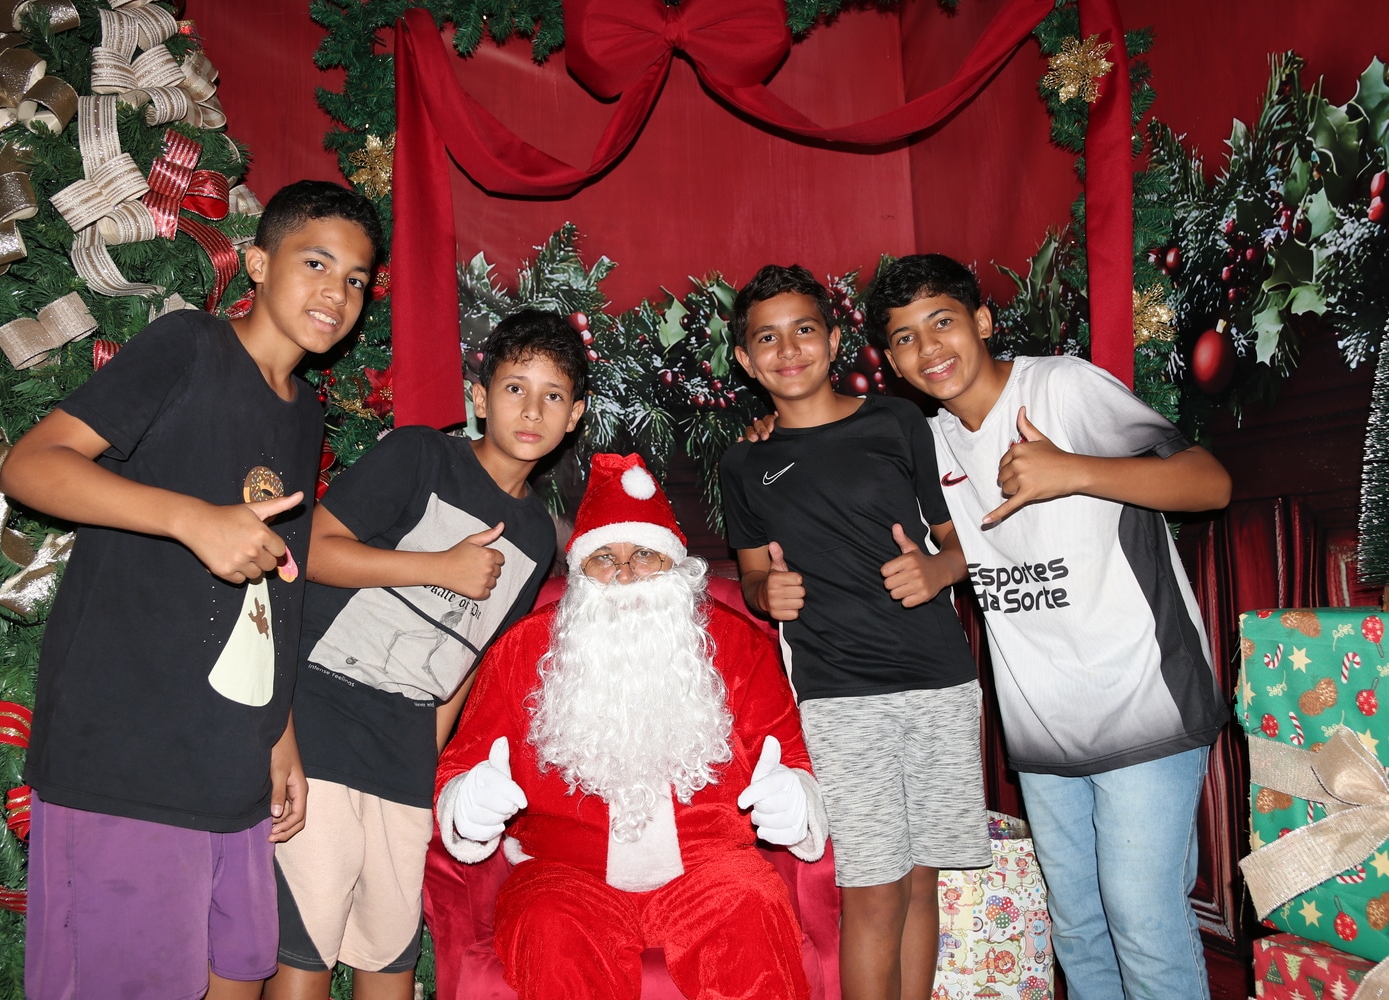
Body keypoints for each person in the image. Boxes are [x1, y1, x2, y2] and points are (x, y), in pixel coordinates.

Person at [2, 180, 382, 1000]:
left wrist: (279, 731)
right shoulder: (189, 347)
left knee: (236, 976)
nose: (337, 292)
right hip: (129, 759)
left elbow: (272, 588)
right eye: (316, 263)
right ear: (258, 263)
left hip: (229, 766)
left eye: (356, 278)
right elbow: (30, 466)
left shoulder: (303, 413)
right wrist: (189, 520)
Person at [868, 253, 1231, 1000]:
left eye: (942, 321)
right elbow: (972, 540)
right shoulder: (929, 442)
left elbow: (1210, 483)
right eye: (904, 337)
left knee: (1142, 917)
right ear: (894, 362)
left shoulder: (1060, 387)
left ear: (982, 321)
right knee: (1078, 929)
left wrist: (1073, 469)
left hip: (1144, 697)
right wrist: (941, 568)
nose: (929, 347)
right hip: (1041, 722)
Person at [265, 310, 587, 1000]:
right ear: (480, 396)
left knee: (390, 955)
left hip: (405, 752)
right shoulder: (421, 456)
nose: (532, 410)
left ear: (575, 415)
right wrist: (437, 568)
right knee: (306, 948)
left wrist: (430, 762)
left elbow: (471, 662)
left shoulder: (536, 534)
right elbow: (307, 552)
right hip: (321, 721)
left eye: (553, 395)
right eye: (515, 388)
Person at [435, 452, 828, 1000]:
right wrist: (467, 804)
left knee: (753, 914)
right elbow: (464, 762)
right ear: (579, 573)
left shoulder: (737, 644)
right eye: (604, 558)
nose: (623, 574)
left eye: (644, 554)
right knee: (549, 930)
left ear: (674, 565)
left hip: (711, 867)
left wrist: (796, 800)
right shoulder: (524, 648)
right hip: (564, 872)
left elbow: (789, 754)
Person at [720, 263, 990, 1000]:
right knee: (872, 889)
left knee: (922, 879)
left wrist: (938, 572)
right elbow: (752, 574)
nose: (788, 349)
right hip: (839, 696)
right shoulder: (744, 461)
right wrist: (765, 592)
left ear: (834, 339)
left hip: (939, 681)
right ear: (745, 359)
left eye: (804, 329)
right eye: (767, 338)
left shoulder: (898, 423)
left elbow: (959, 540)